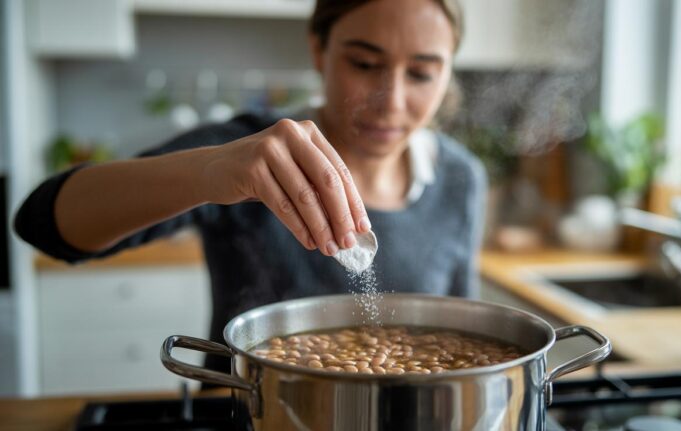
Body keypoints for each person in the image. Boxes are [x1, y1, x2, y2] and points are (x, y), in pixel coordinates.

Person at [14, 0, 486, 375]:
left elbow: (462, 337)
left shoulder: (461, 179)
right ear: (318, 50)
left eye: (422, 73)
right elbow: (41, 223)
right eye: (364, 63)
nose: (391, 102)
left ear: (448, 71)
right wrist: (207, 170)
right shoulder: (250, 152)